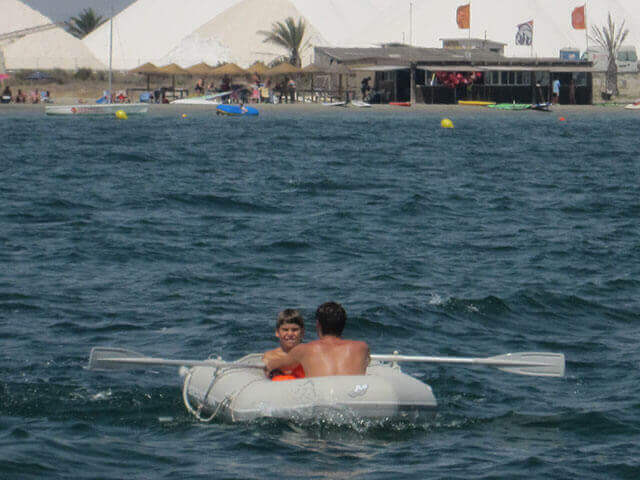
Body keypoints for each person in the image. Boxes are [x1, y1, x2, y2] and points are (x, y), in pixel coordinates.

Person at [263, 301, 370, 378]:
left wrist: (269, 364)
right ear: (343, 324)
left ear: (318, 325)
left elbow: (273, 366)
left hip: (323, 403)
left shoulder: (304, 349)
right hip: (354, 400)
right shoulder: (362, 348)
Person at [264, 309, 306, 381]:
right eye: (285, 330)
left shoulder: (308, 355)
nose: (290, 334)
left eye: (295, 330)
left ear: (302, 333)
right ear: (277, 332)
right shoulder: (270, 356)